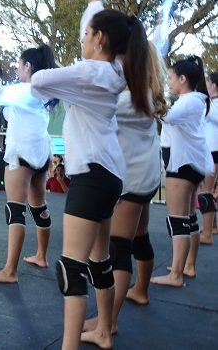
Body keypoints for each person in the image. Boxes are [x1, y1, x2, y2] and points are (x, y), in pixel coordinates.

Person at [30, 0, 150, 350]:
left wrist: (62, 87)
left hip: (94, 174)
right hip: (108, 174)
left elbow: (37, 81)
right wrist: (94, 1)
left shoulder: (90, 74)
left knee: (71, 266)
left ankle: (69, 346)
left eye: (85, 34)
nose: (80, 39)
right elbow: (91, 45)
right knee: (99, 260)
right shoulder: (114, 69)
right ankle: (103, 330)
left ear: (98, 39)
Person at [83, 40, 168, 335]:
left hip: (130, 180)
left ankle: (107, 324)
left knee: (118, 250)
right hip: (145, 178)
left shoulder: (128, 99)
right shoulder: (147, 94)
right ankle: (140, 290)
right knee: (139, 237)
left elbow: (93, 105)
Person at [0, 45, 58, 283]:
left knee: (15, 209)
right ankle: (41, 256)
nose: (16, 68)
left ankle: (10, 271)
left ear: (28, 66)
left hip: (22, 152)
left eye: (19, 64)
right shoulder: (44, 92)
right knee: (39, 207)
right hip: (40, 154)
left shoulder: (26, 89)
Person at [152, 56, 212, 287]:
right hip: (192, 164)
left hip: (183, 165)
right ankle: (187, 266)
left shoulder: (189, 101)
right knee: (188, 218)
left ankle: (176, 275)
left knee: (178, 220)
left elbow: (165, 115)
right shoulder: (195, 100)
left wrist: (151, 94)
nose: (169, 82)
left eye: (170, 78)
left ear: (183, 79)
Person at [198, 71, 218, 245]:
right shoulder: (210, 103)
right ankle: (210, 226)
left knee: (206, 192)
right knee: (206, 191)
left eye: (207, 83)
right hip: (209, 150)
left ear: (214, 85)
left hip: (213, 151)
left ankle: (207, 233)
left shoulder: (213, 104)